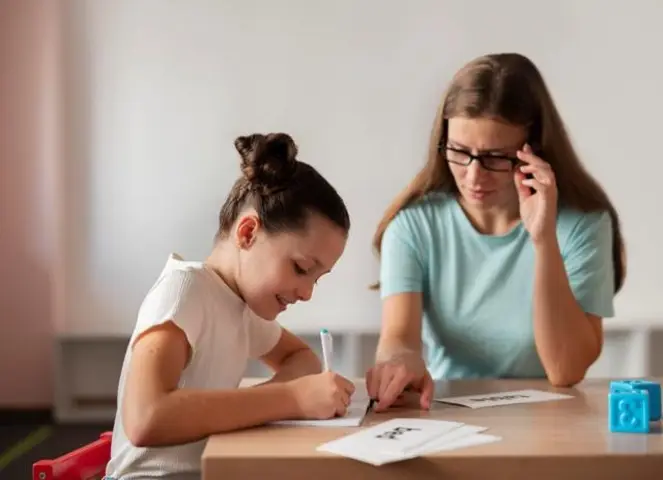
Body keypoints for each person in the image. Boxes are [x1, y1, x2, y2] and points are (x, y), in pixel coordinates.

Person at [365, 52, 626, 412]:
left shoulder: (583, 224)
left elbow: (566, 370)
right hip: (449, 414)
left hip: (552, 422)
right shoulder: (414, 225)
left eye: (494, 157)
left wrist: (543, 238)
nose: (473, 176)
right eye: (459, 152)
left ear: (532, 151)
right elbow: (399, 339)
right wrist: (398, 362)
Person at [105, 133, 355, 479]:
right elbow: (146, 418)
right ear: (248, 232)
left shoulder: (239, 306)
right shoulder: (185, 291)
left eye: (318, 278)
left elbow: (302, 359)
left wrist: (265, 403)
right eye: (300, 268)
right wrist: (291, 399)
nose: (307, 292)